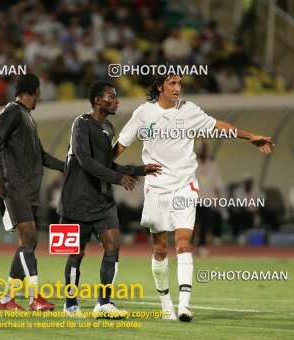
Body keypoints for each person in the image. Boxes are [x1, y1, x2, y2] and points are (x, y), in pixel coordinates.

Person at [113, 73, 274, 322]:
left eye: (180, 84)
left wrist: (249, 136)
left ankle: (185, 305)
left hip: (185, 186)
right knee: (159, 248)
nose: (178, 88)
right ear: (159, 87)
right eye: (172, 84)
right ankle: (166, 304)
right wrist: (97, 168)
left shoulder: (188, 110)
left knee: (184, 243)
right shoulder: (143, 113)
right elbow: (120, 145)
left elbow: (218, 126)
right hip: (156, 187)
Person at [58, 81, 162, 318]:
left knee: (113, 246)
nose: (117, 101)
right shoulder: (81, 123)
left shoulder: (108, 128)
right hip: (76, 200)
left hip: (102, 201)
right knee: (76, 254)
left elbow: (106, 164)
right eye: (112, 97)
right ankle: (70, 305)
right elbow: (84, 159)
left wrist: (138, 170)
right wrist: (117, 177)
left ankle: (103, 303)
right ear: (98, 100)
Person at [0, 73, 65, 311]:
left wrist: (70, 167)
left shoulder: (28, 118)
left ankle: (6, 299)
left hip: (29, 190)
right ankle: (34, 298)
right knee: (28, 237)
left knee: (29, 241)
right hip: (13, 188)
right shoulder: (12, 112)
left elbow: (42, 156)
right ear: (36, 91)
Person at [195, 142, 224, 256]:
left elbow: (218, 183)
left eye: (204, 149)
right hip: (192, 199)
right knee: (190, 224)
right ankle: (187, 247)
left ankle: (202, 246)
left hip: (207, 200)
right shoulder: (191, 164)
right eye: (201, 149)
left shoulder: (212, 165)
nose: (203, 152)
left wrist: (217, 200)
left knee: (204, 224)